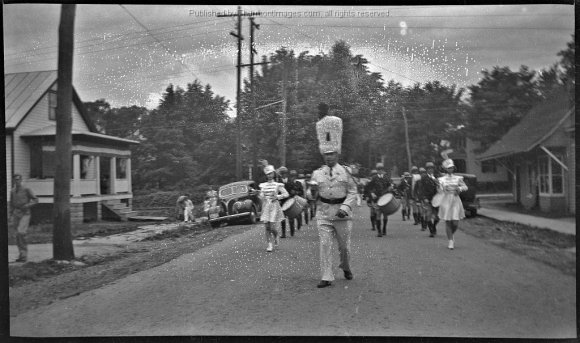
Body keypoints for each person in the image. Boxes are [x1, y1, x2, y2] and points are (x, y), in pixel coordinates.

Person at [311, 103, 358, 288]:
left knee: (344, 247)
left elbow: (353, 192)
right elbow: (311, 194)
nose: (329, 158)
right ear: (323, 156)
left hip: (342, 215)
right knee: (324, 245)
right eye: (326, 155)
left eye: (332, 154)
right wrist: (310, 193)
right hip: (323, 213)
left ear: (337, 155)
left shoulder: (346, 172)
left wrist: (345, 208)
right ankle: (326, 276)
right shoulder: (317, 174)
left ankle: (345, 266)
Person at [437, 159, 468, 249]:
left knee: (455, 222)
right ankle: (450, 241)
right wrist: (441, 188)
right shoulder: (441, 179)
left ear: (454, 168)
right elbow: (439, 190)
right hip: (446, 200)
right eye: (448, 168)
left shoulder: (458, 178)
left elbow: (465, 187)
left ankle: (451, 235)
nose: (450, 169)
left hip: (455, 200)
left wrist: (459, 189)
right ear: (446, 169)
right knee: (448, 221)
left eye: (452, 168)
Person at [259, 165, 289, 252]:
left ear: (274, 174)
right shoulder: (263, 186)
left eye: (270, 173)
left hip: (274, 206)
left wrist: (277, 197)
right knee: (267, 227)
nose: (269, 175)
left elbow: (286, 194)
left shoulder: (277, 185)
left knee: (272, 227)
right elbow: (261, 196)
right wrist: (259, 194)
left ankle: (276, 236)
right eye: (267, 174)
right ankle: (269, 245)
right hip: (265, 207)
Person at [9, 174, 38, 262]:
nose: (16, 181)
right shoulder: (12, 191)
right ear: (13, 181)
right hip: (16, 213)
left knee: (21, 232)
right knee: (17, 234)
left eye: (18, 179)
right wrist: (9, 215)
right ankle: (21, 255)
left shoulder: (26, 189)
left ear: (21, 180)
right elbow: (11, 204)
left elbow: (35, 200)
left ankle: (24, 255)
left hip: (25, 213)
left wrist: (27, 205)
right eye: (15, 180)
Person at [364, 163, 394, 237]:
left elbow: (391, 185)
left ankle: (384, 228)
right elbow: (369, 187)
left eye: (381, 169)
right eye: (378, 170)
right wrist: (371, 193)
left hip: (385, 199)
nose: (380, 171)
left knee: (385, 215)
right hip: (377, 199)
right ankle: (379, 231)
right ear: (377, 170)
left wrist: (391, 187)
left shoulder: (387, 178)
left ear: (383, 170)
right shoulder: (374, 178)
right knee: (378, 215)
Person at [277, 167, 303, 237]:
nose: (283, 175)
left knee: (291, 218)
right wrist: (278, 199)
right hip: (282, 202)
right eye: (282, 173)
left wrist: (293, 193)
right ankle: (283, 233)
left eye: (284, 173)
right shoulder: (278, 182)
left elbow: (294, 190)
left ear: (286, 173)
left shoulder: (291, 181)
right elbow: (277, 192)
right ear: (280, 174)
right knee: (282, 218)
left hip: (290, 200)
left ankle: (292, 231)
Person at [417, 162, 440, 237]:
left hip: (437, 198)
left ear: (433, 169)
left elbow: (441, 187)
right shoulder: (424, 178)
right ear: (427, 170)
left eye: (432, 168)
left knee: (438, 216)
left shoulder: (437, 177)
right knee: (428, 214)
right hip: (428, 198)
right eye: (429, 169)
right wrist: (424, 198)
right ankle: (431, 231)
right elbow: (421, 189)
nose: (430, 170)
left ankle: (433, 226)